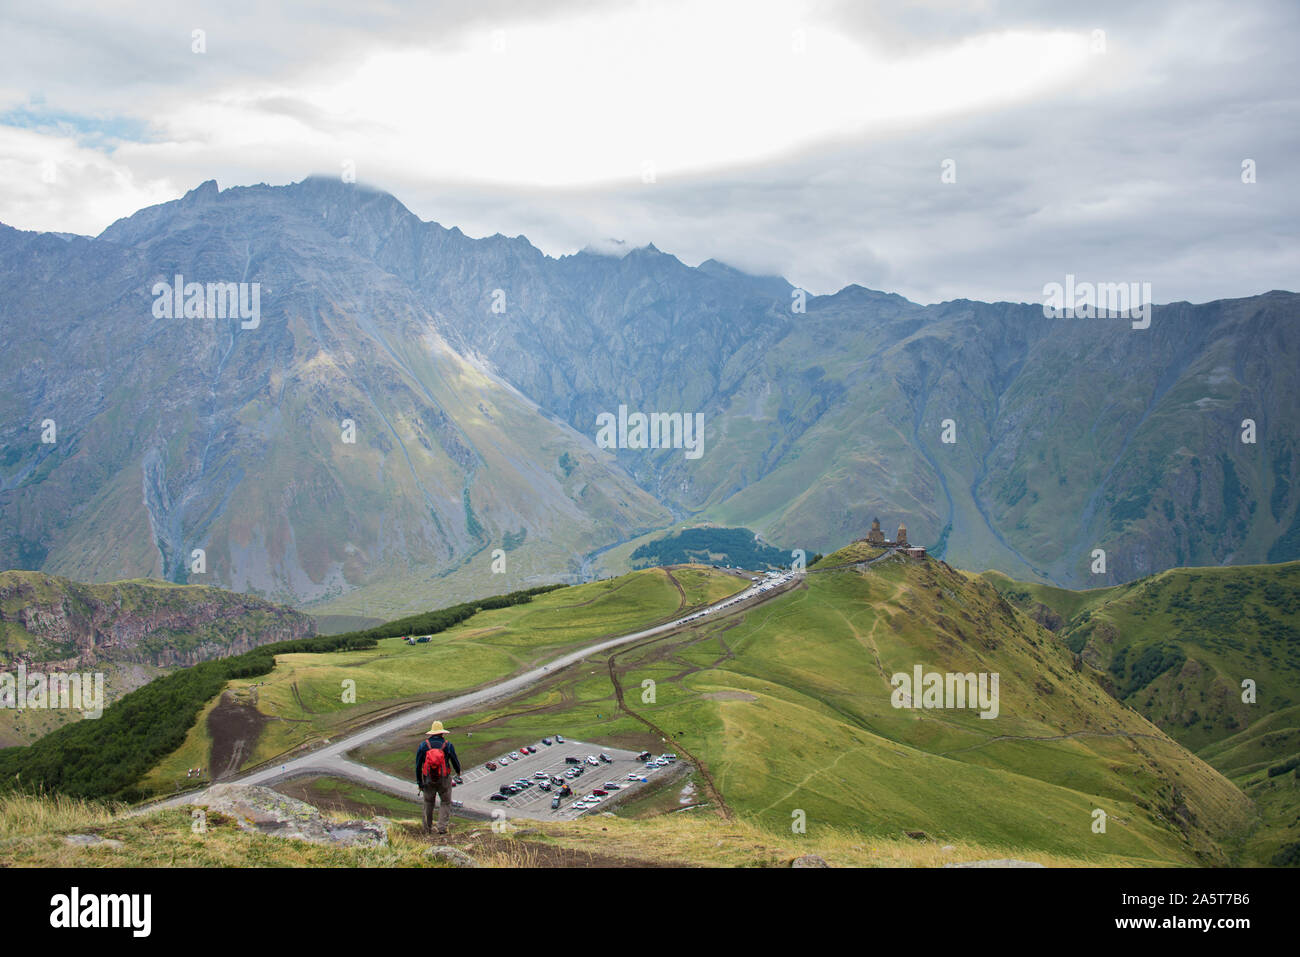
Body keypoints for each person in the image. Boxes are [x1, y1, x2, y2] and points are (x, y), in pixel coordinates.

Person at [416, 720, 462, 835]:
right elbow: (455, 761)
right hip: (444, 779)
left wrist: (420, 783)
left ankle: (427, 829)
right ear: (442, 733)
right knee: (445, 802)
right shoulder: (448, 745)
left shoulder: (423, 746)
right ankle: (442, 828)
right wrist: (458, 771)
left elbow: (418, 765)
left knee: (428, 802)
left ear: (431, 733)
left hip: (428, 779)